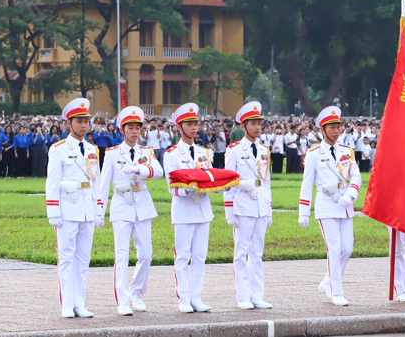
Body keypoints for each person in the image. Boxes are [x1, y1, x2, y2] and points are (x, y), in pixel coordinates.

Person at [96, 106, 163, 316]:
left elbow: (159, 171)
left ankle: (136, 292)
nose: (135, 131)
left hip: (142, 205)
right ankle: (122, 300)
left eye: (138, 127)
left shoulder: (147, 152)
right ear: (122, 130)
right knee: (122, 255)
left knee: (146, 254)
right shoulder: (112, 154)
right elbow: (103, 184)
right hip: (122, 204)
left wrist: (139, 169)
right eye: (130, 128)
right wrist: (100, 211)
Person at [298, 106, 361, 306]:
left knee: (347, 248)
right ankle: (337, 292)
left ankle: (327, 282)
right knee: (334, 249)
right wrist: (303, 212)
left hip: (344, 205)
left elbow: (356, 176)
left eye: (338, 127)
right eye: (332, 127)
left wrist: (350, 194)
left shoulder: (346, 151)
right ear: (322, 130)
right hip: (326, 206)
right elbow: (306, 185)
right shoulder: (314, 153)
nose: (336, 131)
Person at [46, 99, 101, 318]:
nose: (84, 125)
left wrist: (98, 210)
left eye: (86, 121)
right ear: (69, 124)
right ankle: (67, 304)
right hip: (68, 210)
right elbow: (52, 182)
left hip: (87, 210)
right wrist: (54, 212)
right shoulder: (58, 149)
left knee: (83, 259)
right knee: (66, 258)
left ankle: (80, 303)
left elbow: (95, 182)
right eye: (79, 121)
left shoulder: (92, 149)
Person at [164, 102, 214, 313]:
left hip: (203, 209)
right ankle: (183, 298)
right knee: (182, 257)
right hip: (184, 210)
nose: (194, 128)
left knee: (200, 256)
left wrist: (217, 186)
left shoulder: (204, 152)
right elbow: (171, 186)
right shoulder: (172, 154)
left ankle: (196, 297)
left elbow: (211, 176)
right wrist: (189, 187)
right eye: (190, 124)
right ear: (179, 126)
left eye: (196, 124)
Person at [224, 101, 273, 309]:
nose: (257, 127)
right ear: (243, 126)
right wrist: (229, 211)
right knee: (241, 252)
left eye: (259, 123)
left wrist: (269, 209)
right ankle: (243, 296)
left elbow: (267, 181)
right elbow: (228, 182)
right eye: (253, 123)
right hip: (243, 207)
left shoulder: (264, 150)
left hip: (261, 206)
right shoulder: (234, 150)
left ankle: (256, 295)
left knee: (257, 253)